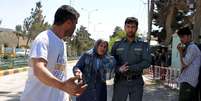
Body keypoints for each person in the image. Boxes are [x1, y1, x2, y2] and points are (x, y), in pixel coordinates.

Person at [20, 5, 86, 101]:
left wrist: (66, 95)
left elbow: (60, 73)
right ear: (68, 23)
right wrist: (63, 86)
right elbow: (38, 69)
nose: (75, 28)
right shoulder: (43, 39)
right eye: (75, 24)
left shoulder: (62, 43)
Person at [111, 17, 151, 101]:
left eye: (133, 27)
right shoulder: (117, 44)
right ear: (125, 28)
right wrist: (118, 69)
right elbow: (111, 62)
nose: (130, 29)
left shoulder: (143, 44)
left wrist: (131, 67)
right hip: (120, 81)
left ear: (136, 28)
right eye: (128, 27)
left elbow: (147, 62)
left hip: (136, 82)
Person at [176, 27, 201, 101]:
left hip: (188, 81)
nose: (181, 39)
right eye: (180, 37)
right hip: (188, 80)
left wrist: (180, 52)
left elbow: (184, 64)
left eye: (182, 37)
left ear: (189, 36)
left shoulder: (192, 48)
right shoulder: (189, 47)